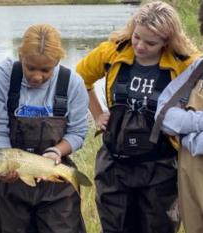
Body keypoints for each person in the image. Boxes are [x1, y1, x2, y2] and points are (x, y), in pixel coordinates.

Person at [76, 1, 199, 233]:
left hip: (160, 167)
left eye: (151, 43)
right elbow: (80, 79)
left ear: (167, 41)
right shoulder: (112, 52)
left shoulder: (186, 63)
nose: (140, 46)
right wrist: (98, 113)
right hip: (114, 165)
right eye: (137, 37)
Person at [0, 24, 89, 233]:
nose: (37, 76)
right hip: (12, 186)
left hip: (56, 183)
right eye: (30, 68)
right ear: (20, 55)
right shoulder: (0, 79)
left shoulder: (72, 84)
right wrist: (5, 164)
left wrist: (56, 151)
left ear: (57, 62)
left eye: (45, 70)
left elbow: (77, 133)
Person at [155, 2, 203, 232]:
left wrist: (188, 138)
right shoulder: (197, 70)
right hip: (191, 181)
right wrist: (195, 130)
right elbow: (164, 116)